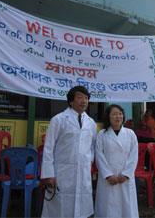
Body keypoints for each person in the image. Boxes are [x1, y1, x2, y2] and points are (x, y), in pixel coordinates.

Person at [41, 86, 97, 218]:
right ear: (71, 101)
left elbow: (92, 146)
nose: (83, 101)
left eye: (86, 98)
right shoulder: (58, 120)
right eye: (79, 97)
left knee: (82, 210)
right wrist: (49, 174)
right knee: (60, 209)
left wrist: (88, 163)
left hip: (83, 172)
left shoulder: (91, 123)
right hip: (61, 172)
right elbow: (49, 148)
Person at [94, 104, 139, 218]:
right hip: (109, 179)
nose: (118, 117)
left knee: (127, 209)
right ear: (108, 117)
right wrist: (108, 175)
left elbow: (134, 156)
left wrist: (127, 173)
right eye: (114, 114)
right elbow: (99, 156)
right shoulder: (102, 135)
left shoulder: (130, 134)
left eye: (120, 114)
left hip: (125, 178)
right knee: (108, 209)